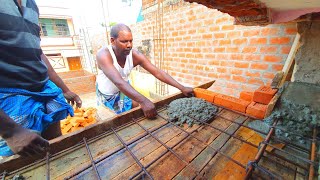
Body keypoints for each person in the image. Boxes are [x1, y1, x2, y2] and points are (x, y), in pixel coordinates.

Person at [0, 0, 82, 157]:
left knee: (55, 151)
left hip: (45, 91)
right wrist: (10, 131)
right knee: (24, 162)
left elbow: (37, 51)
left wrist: (64, 89)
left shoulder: (31, 4)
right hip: (11, 101)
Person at [96, 23, 193, 118]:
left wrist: (182, 87)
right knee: (114, 119)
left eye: (131, 41)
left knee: (135, 107)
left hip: (123, 88)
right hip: (108, 94)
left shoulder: (134, 55)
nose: (129, 45)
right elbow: (118, 81)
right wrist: (144, 101)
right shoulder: (103, 55)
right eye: (124, 41)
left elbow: (158, 72)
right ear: (113, 41)